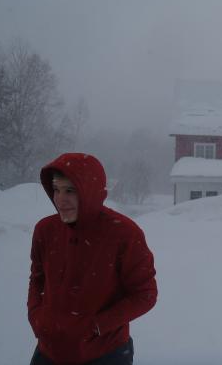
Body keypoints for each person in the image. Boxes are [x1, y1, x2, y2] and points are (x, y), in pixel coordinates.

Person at [27, 153, 158, 365]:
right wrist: (36, 317)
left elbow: (145, 294)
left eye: (70, 190)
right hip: (49, 351)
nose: (60, 199)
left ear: (89, 191)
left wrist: (96, 326)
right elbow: (37, 279)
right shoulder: (45, 230)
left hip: (104, 353)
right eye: (56, 189)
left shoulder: (124, 233)